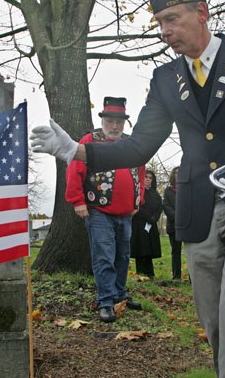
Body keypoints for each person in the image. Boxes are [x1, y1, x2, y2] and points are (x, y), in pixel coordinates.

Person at [30, 0, 225, 376]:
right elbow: (140, 146)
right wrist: (79, 151)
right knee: (215, 323)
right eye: (159, 22)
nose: (165, 31)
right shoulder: (165, 79)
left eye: (172, 19)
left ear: (202, 13)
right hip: (199, 214)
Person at [64, 97, 145, 323]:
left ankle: (120, 295)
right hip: (99, 210)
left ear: (124, 123)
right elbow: (74, 171)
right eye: (110, 121)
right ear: (103, 121)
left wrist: (138, 200)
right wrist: (77, 200)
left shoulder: (131, 143)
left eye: (119, 122)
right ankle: (106, 300)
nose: (114, 126)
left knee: (123, 255)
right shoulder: (89, 140)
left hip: (126, 212)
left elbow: (140, 171)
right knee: (104, 256)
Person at [130, 169, 163, 277]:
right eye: (146, 177)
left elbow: (159, 207)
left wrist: (155, 218)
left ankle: (150, 273)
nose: (148, 180)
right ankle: (140, 273)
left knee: (149, 248)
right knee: (140, 248)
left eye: (150, 178)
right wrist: (148, 217)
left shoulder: (155, 193)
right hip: (139, 224)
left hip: (151, 224)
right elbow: (137, 206)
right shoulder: (138, 191)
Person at [163, 166, 183, 280]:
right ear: (173, 175)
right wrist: (177, 216)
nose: (178, 174)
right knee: (176, 252)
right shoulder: (168, 190)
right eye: (176, 173)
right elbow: (166, 205)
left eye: (180, 172)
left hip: (187, 225)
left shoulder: (187, 188)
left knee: (190, 252)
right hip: (173, 224)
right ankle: (176, 277)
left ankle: (192, 278)